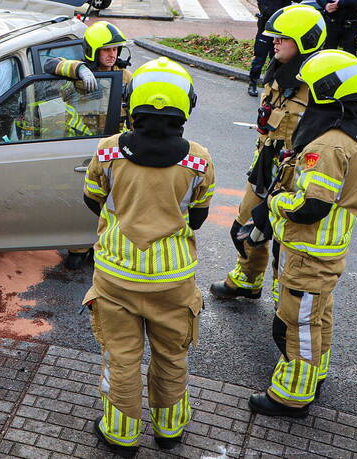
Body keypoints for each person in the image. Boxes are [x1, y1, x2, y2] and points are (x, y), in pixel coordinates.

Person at [83, 57, 214, 456]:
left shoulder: (108, 152)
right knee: (171, 357)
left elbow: (92, 200)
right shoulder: (199, 159)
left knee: (121, 358)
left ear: (131, 103)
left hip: (115, 276)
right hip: (173, 281)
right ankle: (170, 430)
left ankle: (120, 435)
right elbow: (198, 216)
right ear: (185, 106)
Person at [246, 49, 357, 417]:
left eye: (311, 87)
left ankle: (291, 395)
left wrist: (276, 202)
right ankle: (314, 374)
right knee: (319, 316)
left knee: (295, 323)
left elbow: (311, 206)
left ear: (326, 90)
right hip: (325, 249)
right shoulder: (356, 131)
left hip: (308, 249)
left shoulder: (328, 145)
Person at [210, 5, 327, 303]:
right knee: (245, 227)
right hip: (265, 167)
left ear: (305, 41)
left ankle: (283, 299)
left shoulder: (316, 88)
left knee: (284, 244)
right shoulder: (276, 73)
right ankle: (247, 280)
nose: (274, 42)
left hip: (294, 180)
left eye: (282, 38)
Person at [44, 22, 134, 270]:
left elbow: (136, 112)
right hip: (83, 148)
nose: (112, 54)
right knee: (82, 198)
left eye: (115, 49)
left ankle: (102, 246)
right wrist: (80, 70)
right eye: (106, 49)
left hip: (115, 150)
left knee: (112, 201)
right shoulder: (78, 74)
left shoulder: (125, 77)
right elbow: (49, 64)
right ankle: (78, 247)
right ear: (93, 50)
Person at [247, 0, 304, 96]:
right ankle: (253, 83)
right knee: (260, 56)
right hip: (267, 27)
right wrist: (279, 14)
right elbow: (263, 5)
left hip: (282, 29)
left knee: (278, 58)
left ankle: (274, 84)